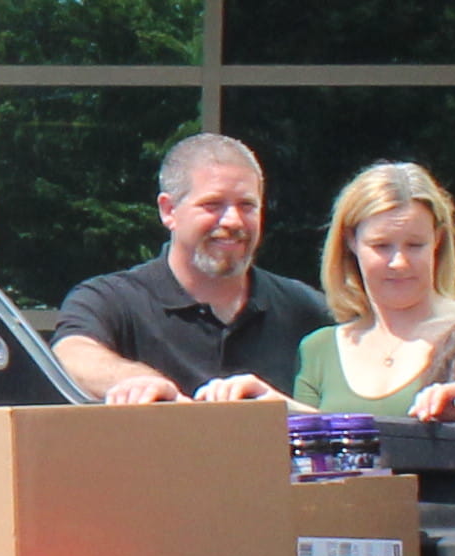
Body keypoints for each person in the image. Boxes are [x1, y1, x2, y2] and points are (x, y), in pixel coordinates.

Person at [52, 131, 330, 405]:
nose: (233, 221)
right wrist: (137, 382)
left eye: (247, 206)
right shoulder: (113, 300)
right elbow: (71, 353)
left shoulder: (302, 308)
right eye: (213, 205)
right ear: (168, 210)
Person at [291, 159, 455, 416]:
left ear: (438, 240)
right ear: (351, 241)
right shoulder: (319, 349)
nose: (399, 262)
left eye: (415, 245)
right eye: (381, 246)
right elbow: (307, 451)